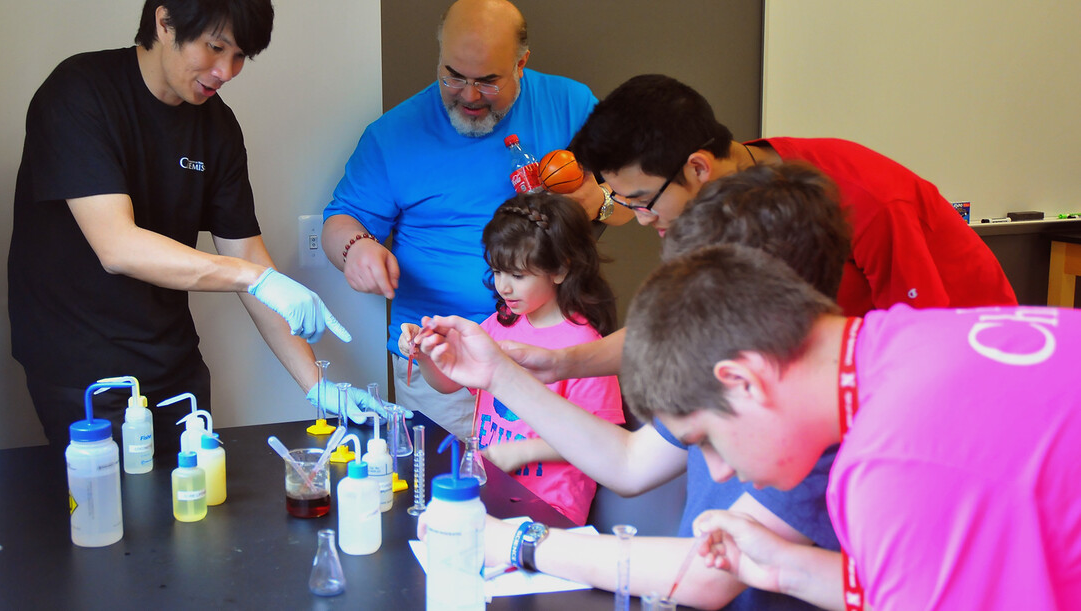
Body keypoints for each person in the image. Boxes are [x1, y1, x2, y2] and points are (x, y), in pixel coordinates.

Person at [410, 164, 856, 610]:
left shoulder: (825, 417)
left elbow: (705, 578)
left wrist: (517, 542)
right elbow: (629, 461)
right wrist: (498, 373)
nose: (715, 469)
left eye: (707, 437)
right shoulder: (743, 374)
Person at [618, 244, 1081, 611]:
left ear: (742, 381)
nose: (718, 472)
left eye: (707, 441)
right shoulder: (909, 339)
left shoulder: (888, 458)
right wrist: (791, 569)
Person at [7, 0, 359, 455]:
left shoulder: (218, 127)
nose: (227, 70)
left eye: (239, 57)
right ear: (165, 21)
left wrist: (318, 388)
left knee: (200, 511)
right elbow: (117, 246)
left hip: (175, 367)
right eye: (215, 47)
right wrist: (258, 280)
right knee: (114, 521)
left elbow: (248, 256)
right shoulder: (79, 93)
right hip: (83, 373)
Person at [509, 73, 1018, 385]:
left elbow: (928, 357)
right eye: (622, 202)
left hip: (970, 363)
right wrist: (563, 363)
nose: (640, 219)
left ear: (699, 168)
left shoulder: (866, 201)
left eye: (643, 202)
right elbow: (682, 324)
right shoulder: (714, 209)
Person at [320, 0, 631, 438]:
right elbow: (339, 221)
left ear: (521, 63)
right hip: (441, 365)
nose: (468, 95)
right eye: (453, 76)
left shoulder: (570, 105)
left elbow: (633, 201)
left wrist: (598, 200)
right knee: (445, 493)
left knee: (550, 488)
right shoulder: (393, 135)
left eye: (488, 82)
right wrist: (356, 248)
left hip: (555, 349)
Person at [400, 192, 623, 525]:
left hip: (550, 507)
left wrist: (520, 452)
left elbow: (604, 438)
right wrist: (427, 355)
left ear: (560, 270)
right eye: (497, 272)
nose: (503, 287)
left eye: (517, 276)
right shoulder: (499, 324)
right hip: (494, 490)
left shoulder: (583, 348)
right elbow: (448, 384)